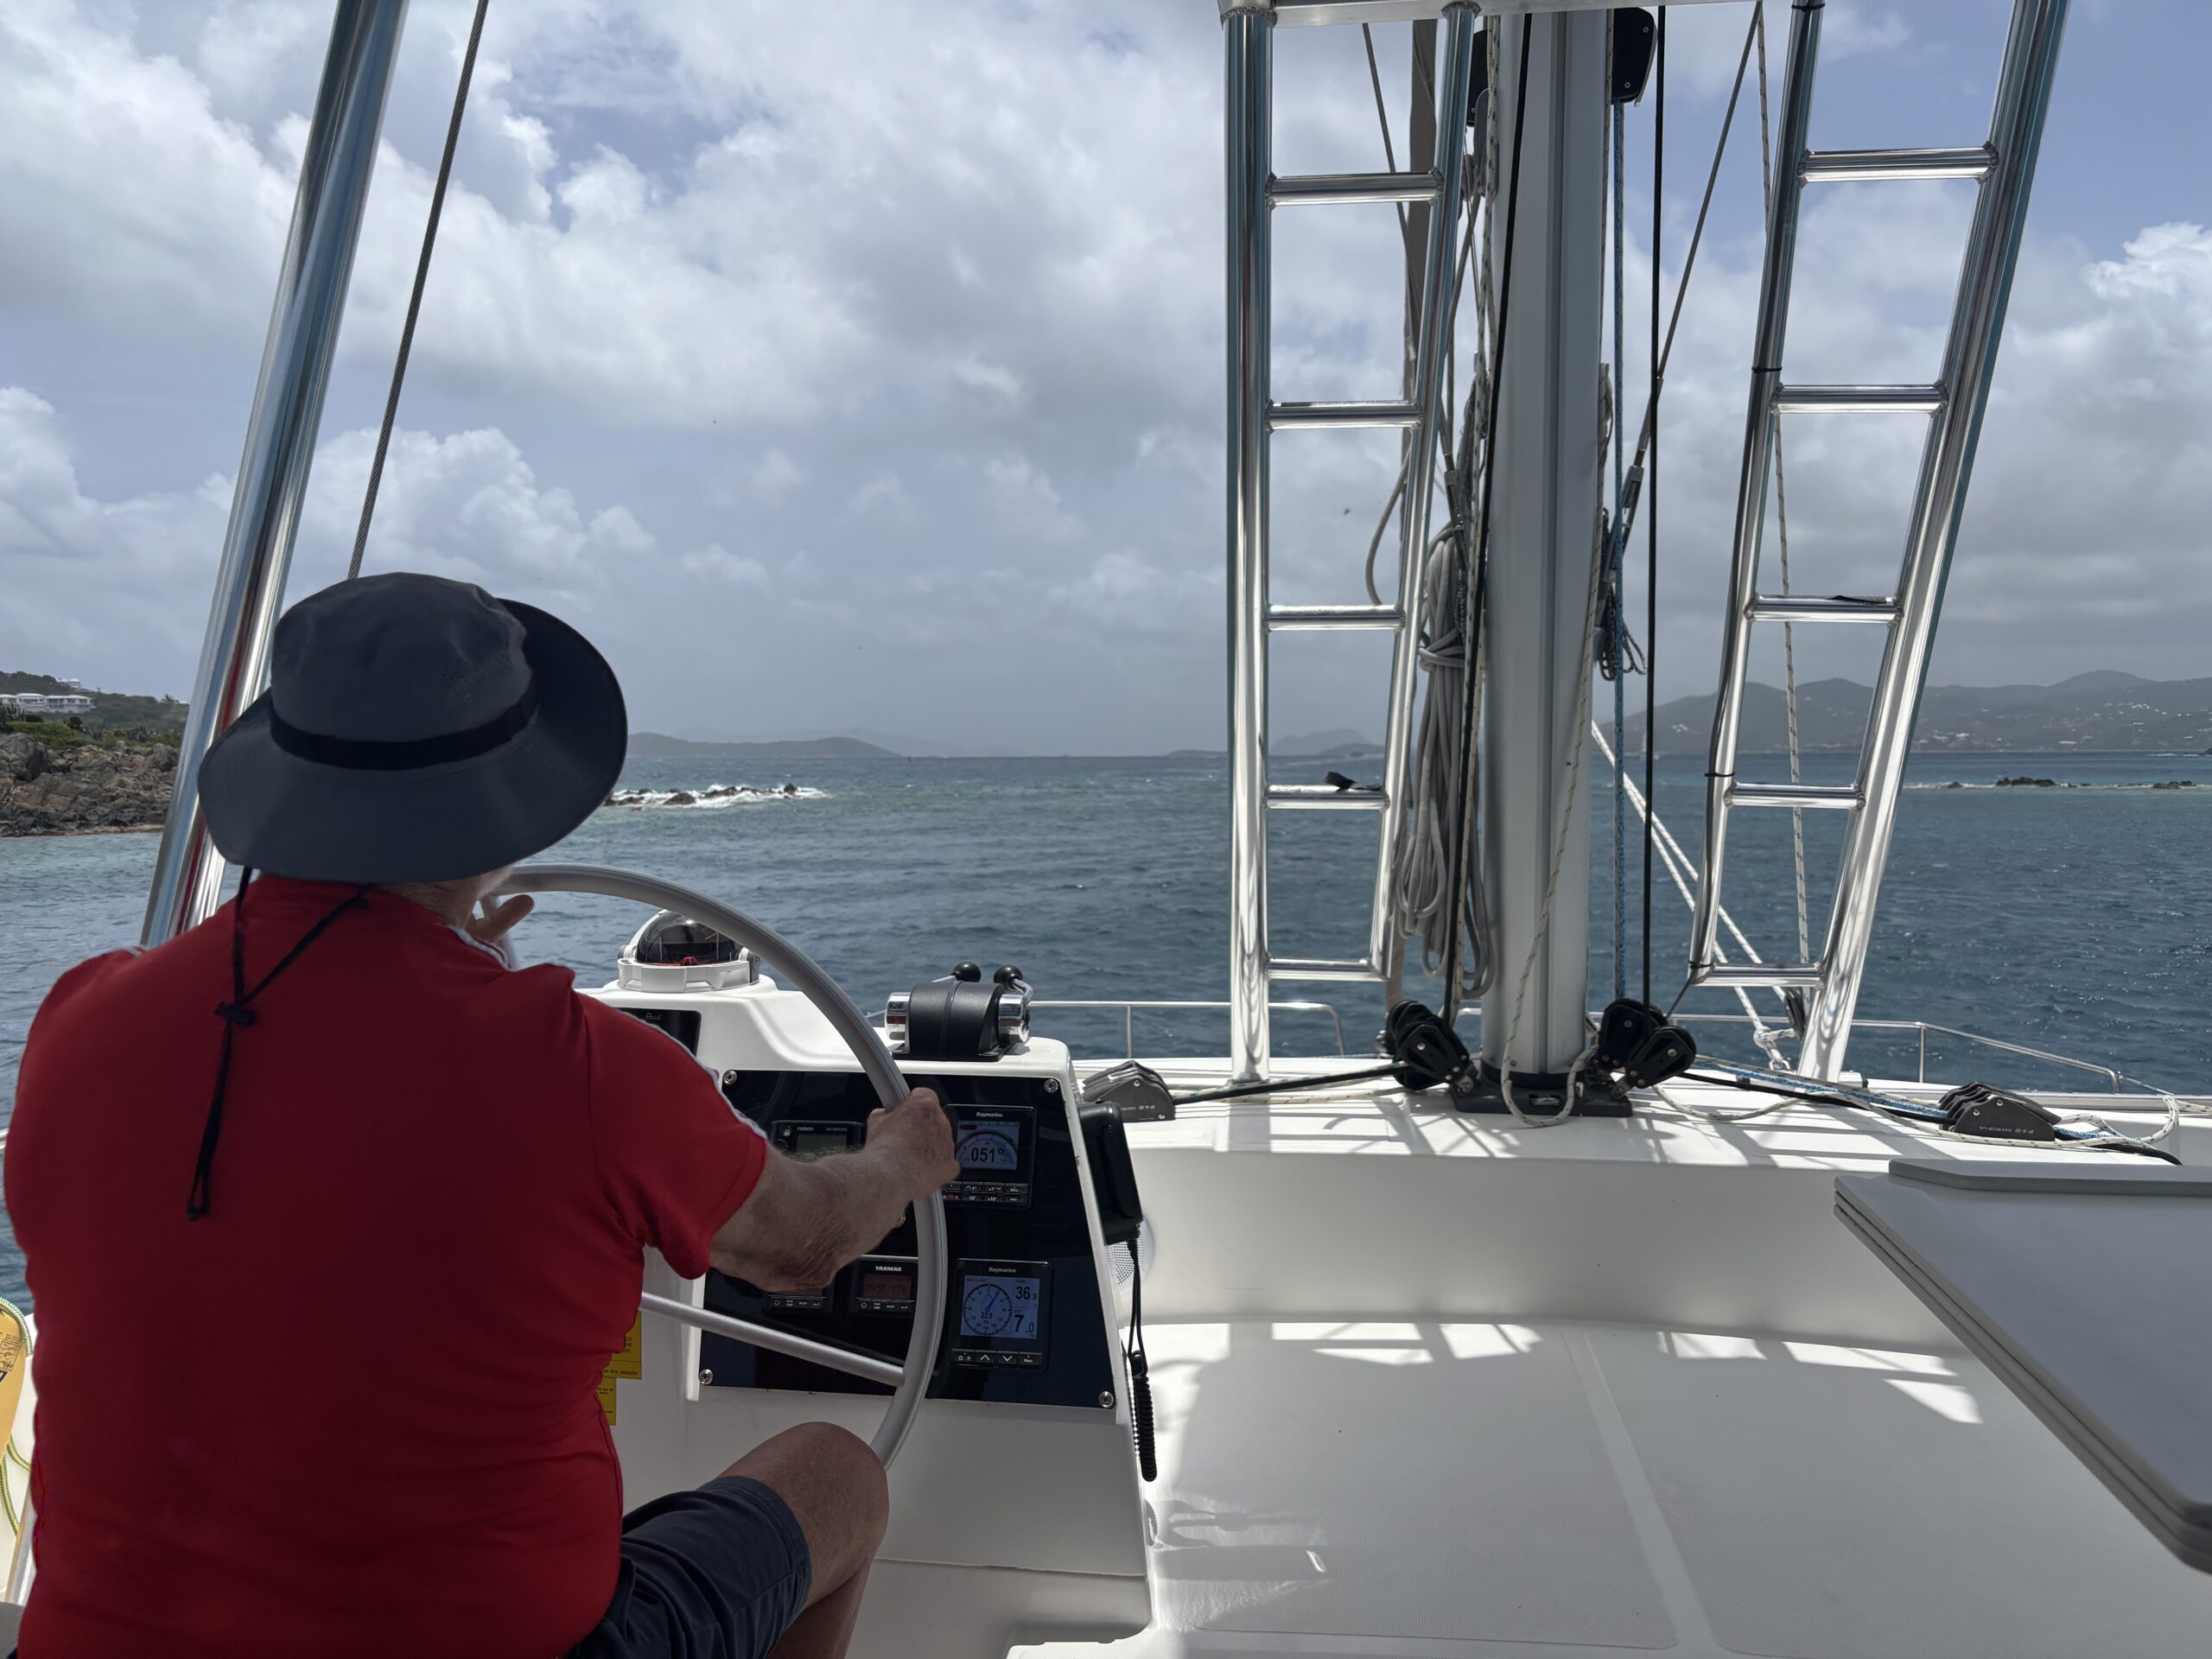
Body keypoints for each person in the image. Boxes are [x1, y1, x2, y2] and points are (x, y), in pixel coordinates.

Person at [4, 573, 958, 1658]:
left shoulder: (79, 1019)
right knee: (836, 1475)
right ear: (505, 806)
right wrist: (904, 1160)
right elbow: (802, 1244)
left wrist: (448, 963)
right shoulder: (582, 1067)